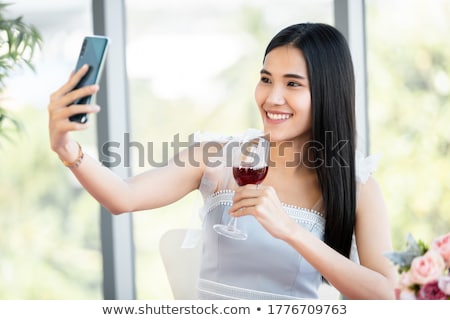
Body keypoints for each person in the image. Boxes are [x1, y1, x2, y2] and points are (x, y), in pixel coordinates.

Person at [48, 22, 397, 299]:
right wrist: (66, 148)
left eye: (293, 84)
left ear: (328, 93)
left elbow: (385, 295)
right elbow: (122, 197)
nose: (272, 97)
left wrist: (290, 231)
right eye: (265, 79)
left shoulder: (357, 187)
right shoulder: (218, 157)